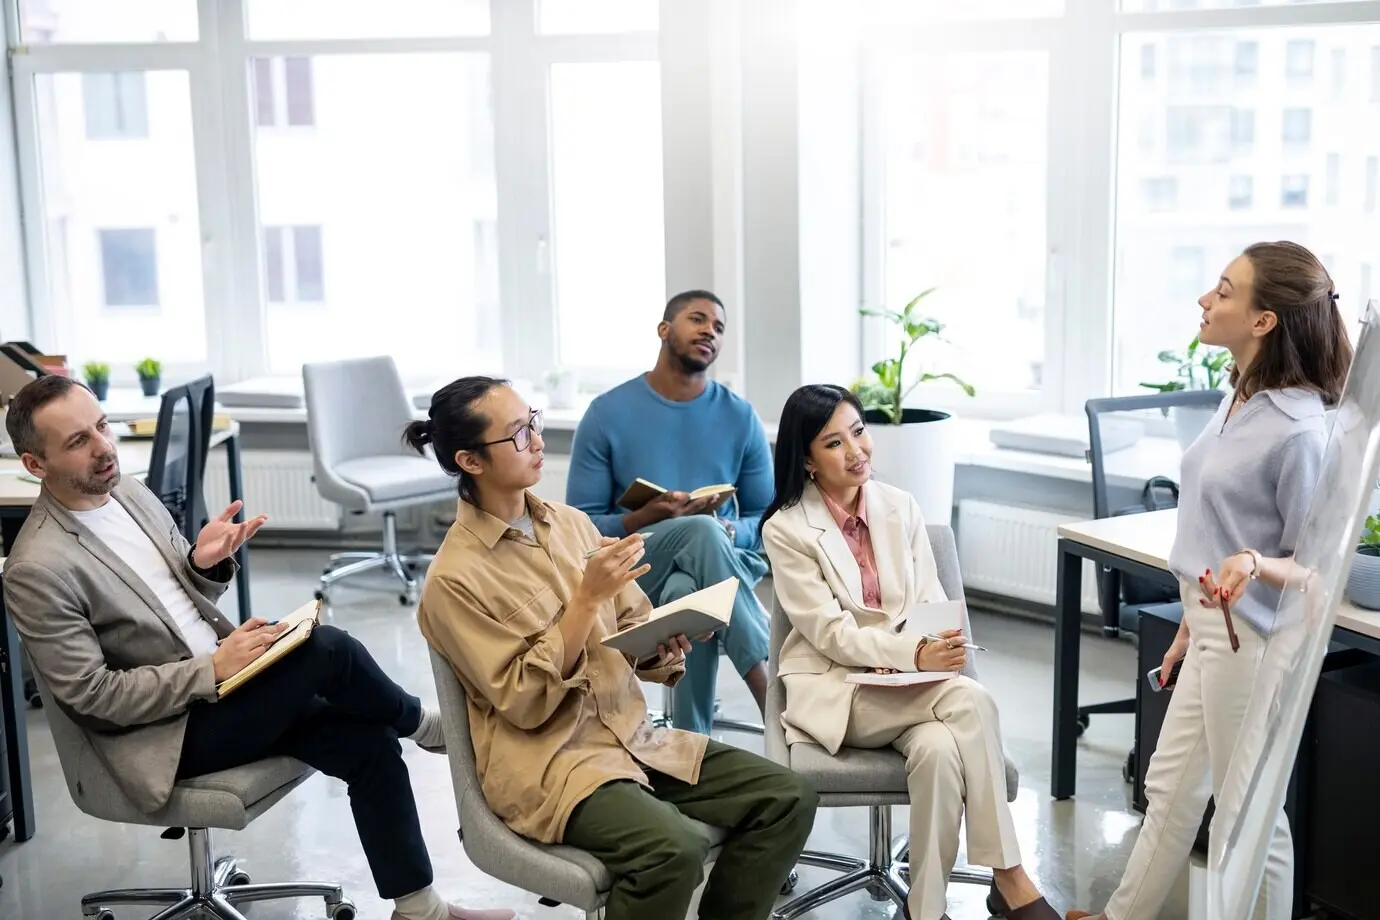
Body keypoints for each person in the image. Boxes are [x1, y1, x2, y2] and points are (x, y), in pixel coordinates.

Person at [2, 375, 514, 920]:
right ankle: (425, 725)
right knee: (328, 650)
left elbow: (171, 601)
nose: (104, 447)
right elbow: (92, 696)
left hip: (226, 684)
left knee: (366, 742)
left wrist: (201, 564)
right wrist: (210, 669)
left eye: (102, 426)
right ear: (36, 464)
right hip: (168, 733)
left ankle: (419, 910)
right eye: (78, 441)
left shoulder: (126, 490)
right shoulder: (38, 567)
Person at [409, 376, 817, 920]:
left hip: (633, 737)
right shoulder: (453, 580)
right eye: (517, 435)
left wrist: (661, 642)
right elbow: (525, 702)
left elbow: (632, 623)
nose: (536, 440)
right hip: (555, 766)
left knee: (788, 797)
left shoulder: (571, 525)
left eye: (533, 421)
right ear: (471, 460)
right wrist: (583, 601)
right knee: (673, 850)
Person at [1067, 241, 1353, 920]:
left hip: (1254, 642)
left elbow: (1317, 566)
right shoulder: (1243, 396)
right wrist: (1190, 628)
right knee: (1170, 788)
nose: (1205, 299)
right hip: (1213, 627)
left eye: (1224, 290)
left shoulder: (1300, 430)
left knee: (1247, 814)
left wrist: (1253, 564)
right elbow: (1213, 528)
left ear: (1263, 321)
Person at [762, 383, 1061, 920]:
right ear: (806, 459)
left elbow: (929, 601)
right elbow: (828, 633)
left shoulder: (899, 506)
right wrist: (909, 654)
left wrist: (918, 653)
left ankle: (924, 911)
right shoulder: (786, 530)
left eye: (858, 432)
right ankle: (1009, 877)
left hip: (910, 689)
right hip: (839, 690)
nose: (856, 451)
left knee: (941, 752)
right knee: (970, 701)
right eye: (833, 443)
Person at [566, 290, 773, 735]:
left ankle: (691, 741)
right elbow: (579, 527)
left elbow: (769, 520)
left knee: (689, 582)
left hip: (724, 561)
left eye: (718, 328)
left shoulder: (741, 416)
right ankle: (770, 693)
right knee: (697, 534)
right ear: (664, 330)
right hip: (636, 567)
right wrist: (646, 517)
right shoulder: (606, 414)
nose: (709, 332)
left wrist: (730, 530)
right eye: (697, 320)